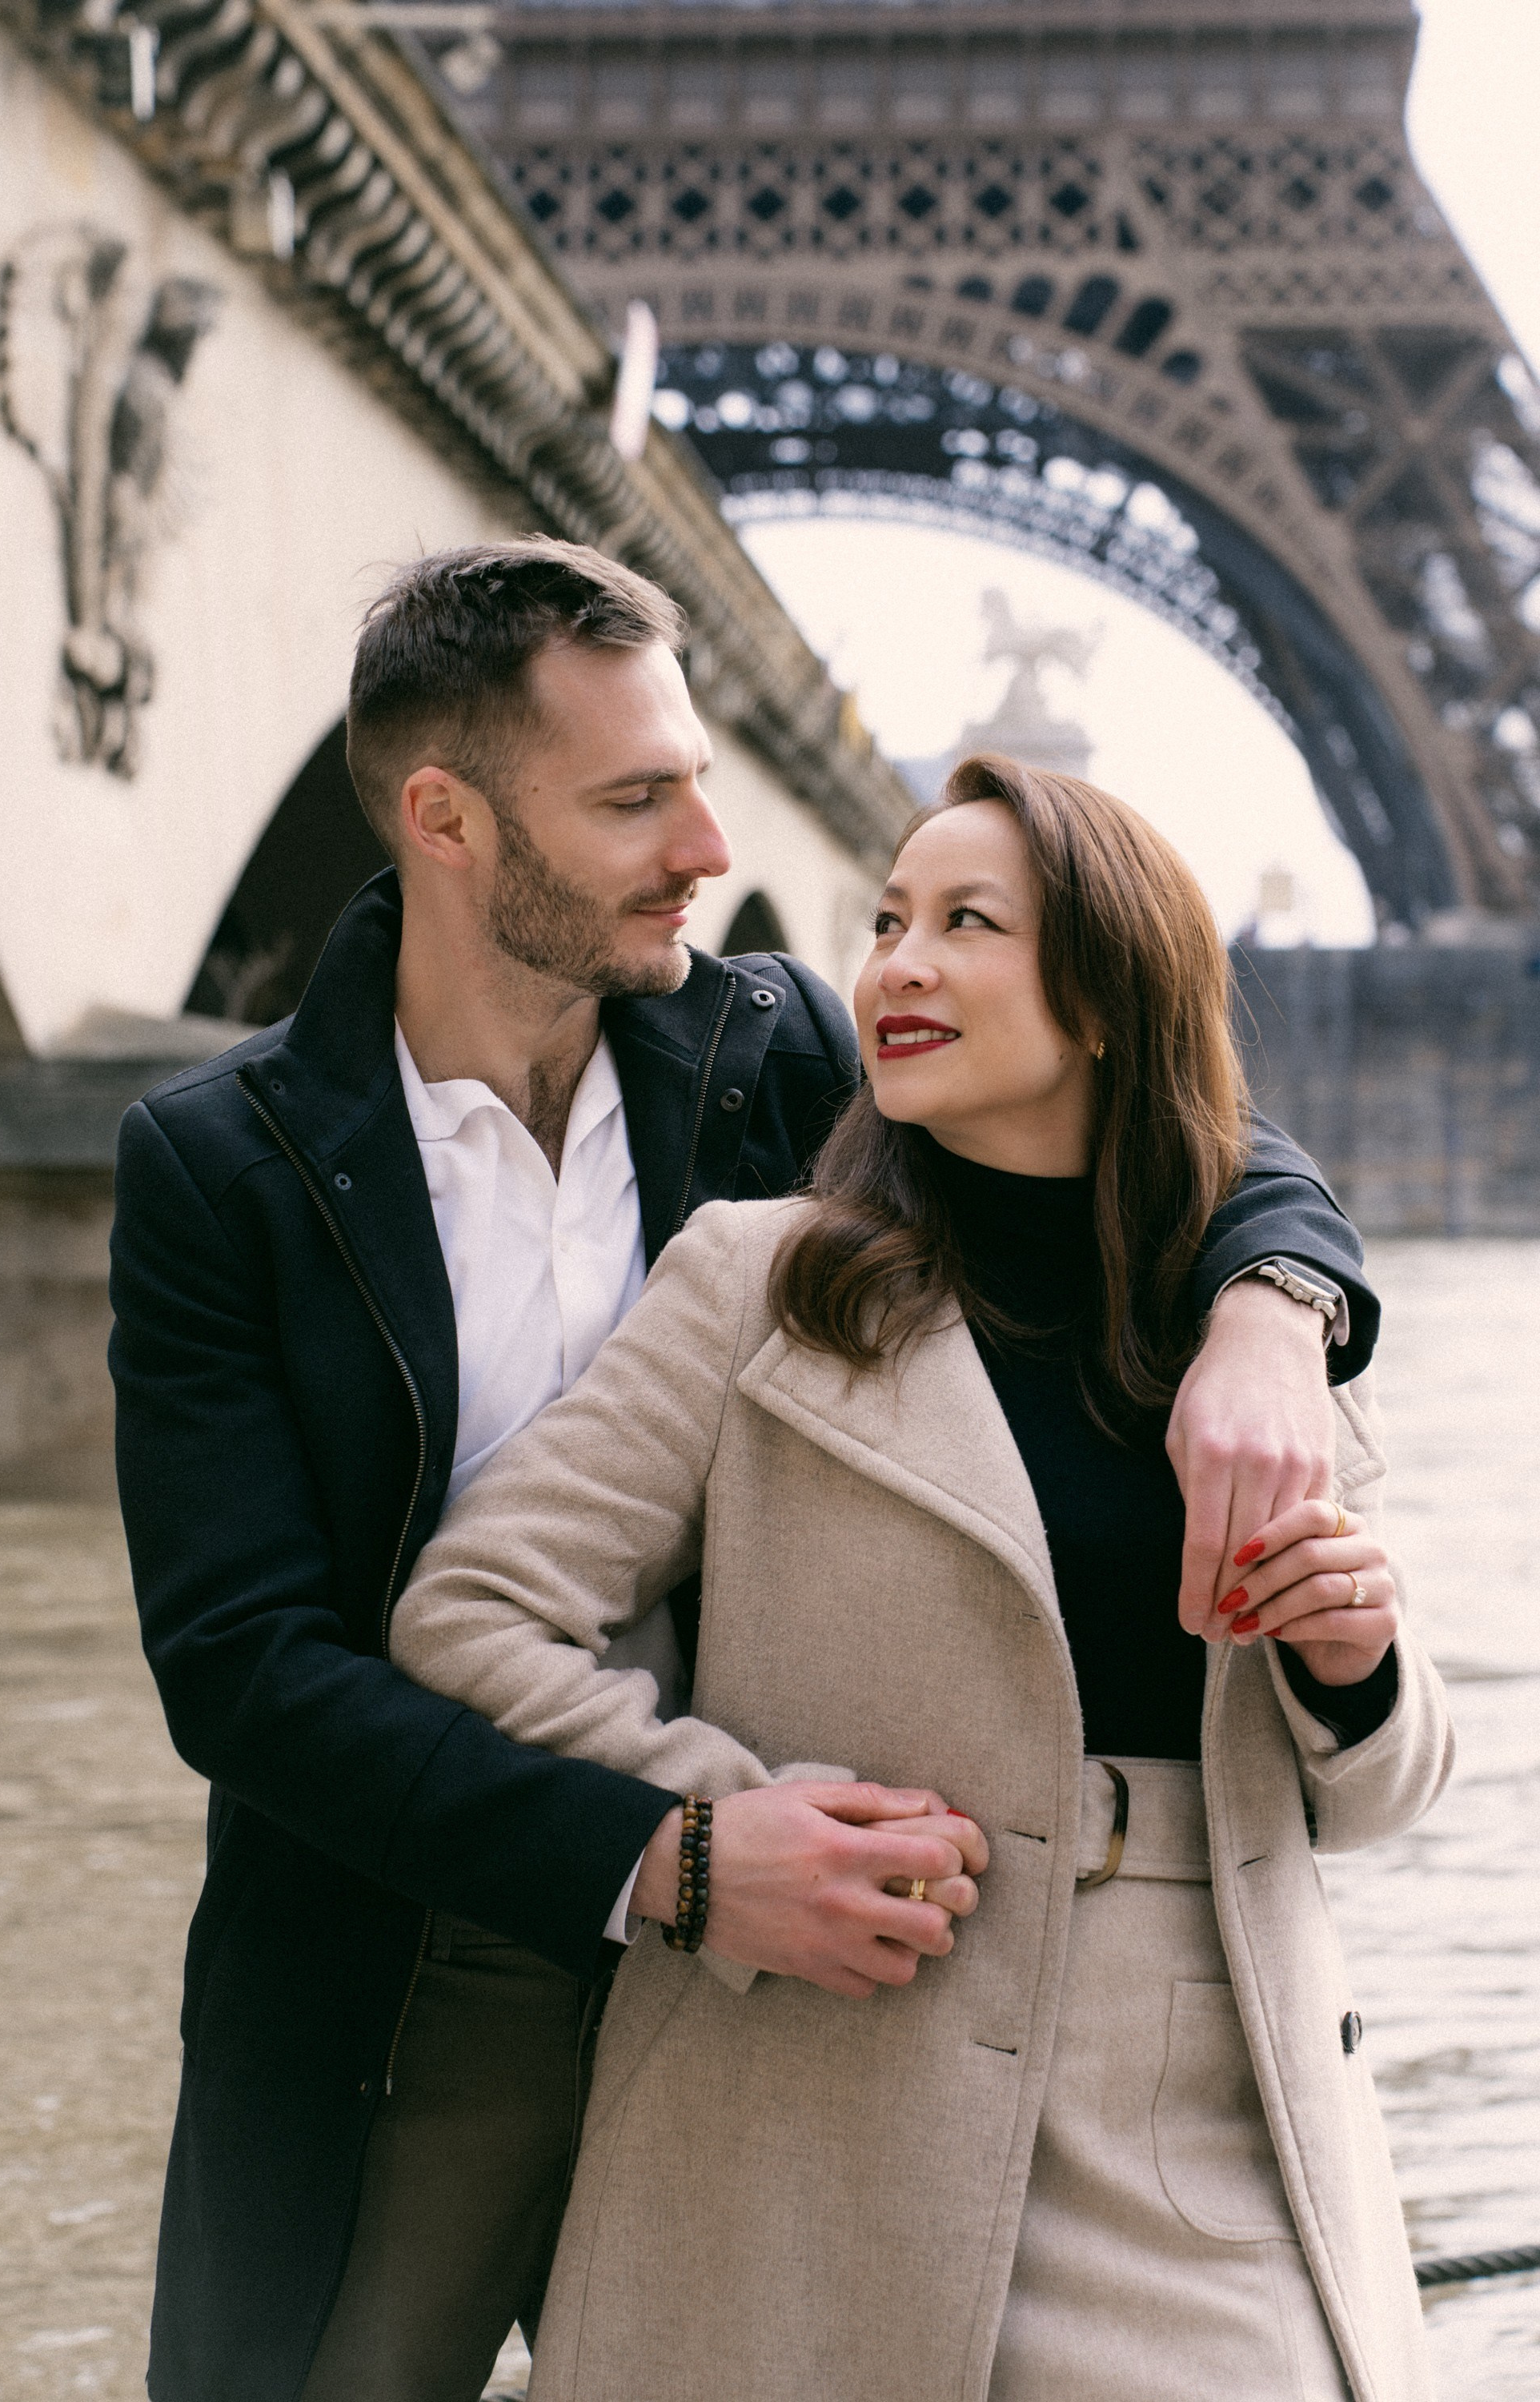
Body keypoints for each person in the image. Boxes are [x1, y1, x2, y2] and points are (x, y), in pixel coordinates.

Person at [109, 537, 1381, 2402]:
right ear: (449, 820)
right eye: (637, 799)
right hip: (430, 1961)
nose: (707, 846)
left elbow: (1147, 1110)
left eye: (702, 780)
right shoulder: (221, 1167)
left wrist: (1276, 1302)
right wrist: (668, 1855)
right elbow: (244, 1667)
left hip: (829, 1969)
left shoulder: (771, 1051)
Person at [391, 755, 1453, 2402]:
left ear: (1106, 994)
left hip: (1203, 2112)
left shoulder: (1260, 1336)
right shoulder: (757, 1280)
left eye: (967, 922)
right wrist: (705, 1832)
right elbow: (470, 1614)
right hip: (828, 2072)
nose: (894, 964)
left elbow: (1376, 1795)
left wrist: (1354, 1663)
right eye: (887, 919)